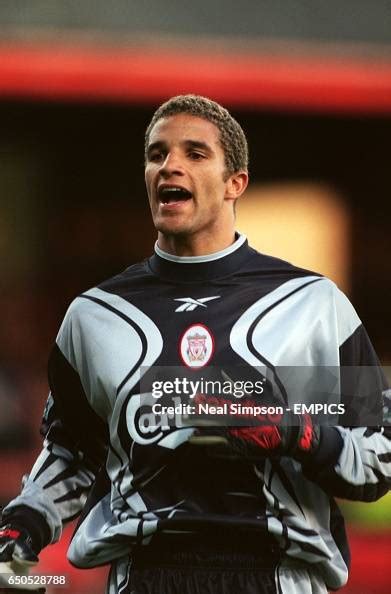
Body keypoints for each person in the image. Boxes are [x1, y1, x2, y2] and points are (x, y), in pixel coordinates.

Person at [0, 95, 390, 594]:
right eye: (157, 154)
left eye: (195, 153)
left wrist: (298, 433)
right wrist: (22, 529)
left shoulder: (315, 305)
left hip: (277, 575)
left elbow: (380, 455)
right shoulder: (93, 316)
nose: (170, 166)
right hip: (143, 576)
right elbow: (73, 452)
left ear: (236, 183)